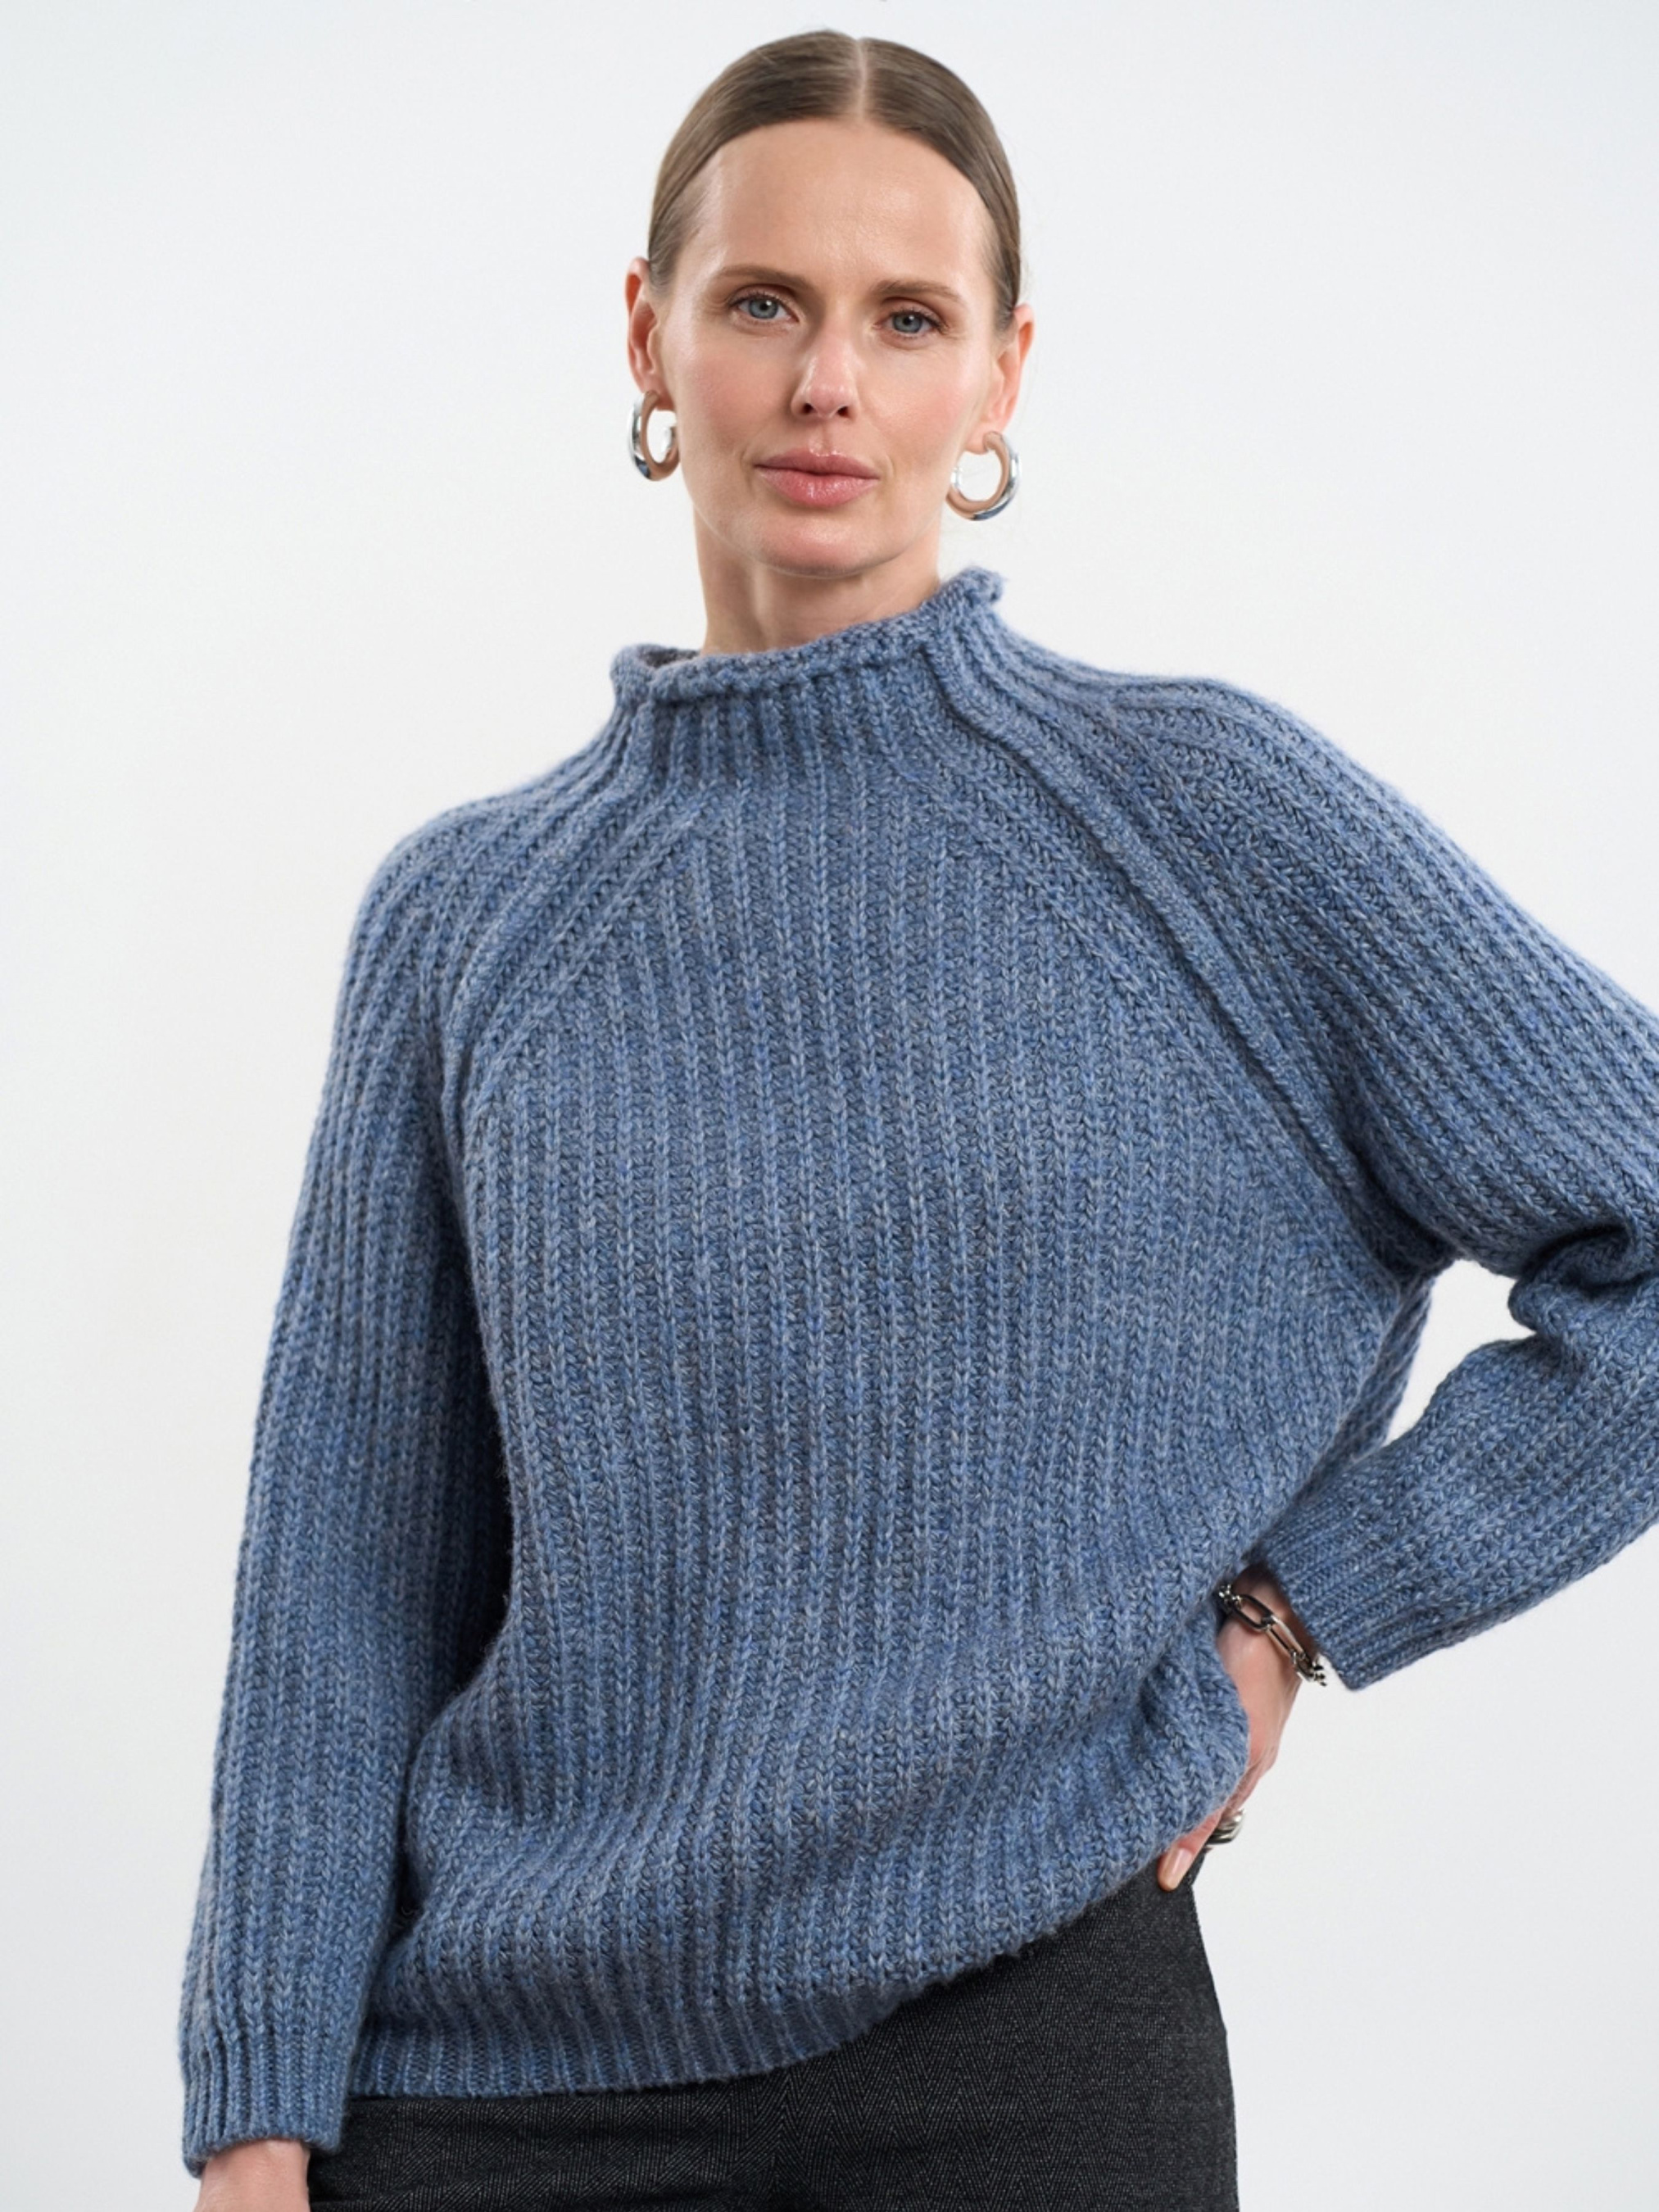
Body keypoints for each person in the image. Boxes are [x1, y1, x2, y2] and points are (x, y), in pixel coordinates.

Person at [178, 29, 1659, 2212]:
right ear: (649, 335)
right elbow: (345, 1573)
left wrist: (1303, 1612)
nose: (825, 387)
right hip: (503, 2082)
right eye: (764, 302)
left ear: (1001, 376)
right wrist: (254, 2110)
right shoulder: (469, 922)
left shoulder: (1201, 817)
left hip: (1029, 2060)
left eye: (905, 319)